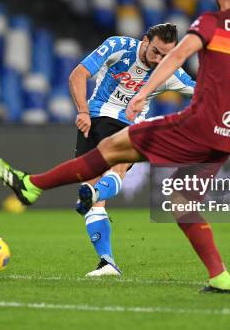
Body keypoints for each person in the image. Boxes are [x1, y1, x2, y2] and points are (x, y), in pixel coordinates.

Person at [0, 0, 230, 294]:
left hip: (185, 124)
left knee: (111, 154)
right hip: (224, 135)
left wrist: (140, 96)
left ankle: (34, 186)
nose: (156, 58)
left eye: (161, 54)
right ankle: (216, 277)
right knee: (180, 199)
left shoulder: (209, 23)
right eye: (154, 51)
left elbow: (178, 58)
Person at [69, 23, 195, 276]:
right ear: (145, 40)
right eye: (156, 52)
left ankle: (94, 196)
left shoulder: (170, 72)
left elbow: (204, 92)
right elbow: (78, 75)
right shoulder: (118, 46)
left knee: (115, 170)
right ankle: (107, 262)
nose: (159, 60)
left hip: (129, 125)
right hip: (94, 119)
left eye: (166, 56)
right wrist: (82, 110)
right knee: (95, 200)